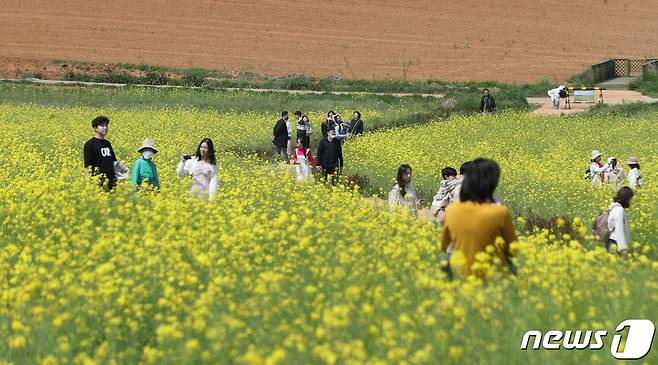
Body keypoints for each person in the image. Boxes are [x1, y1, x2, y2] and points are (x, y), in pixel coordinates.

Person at [440, 158, 517, 277]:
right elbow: (513, 249)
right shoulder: (500, 212)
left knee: (444, 261)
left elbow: (444, 245)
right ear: (492, 183)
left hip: (460, 272)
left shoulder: (452, 210)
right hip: (491, 274)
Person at [83, 116, 118, 191]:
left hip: (111, 181)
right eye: (102, 125)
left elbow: (114, 161)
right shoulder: (90, 144)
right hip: (98, 181)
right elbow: (87, 165)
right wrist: (88, 183)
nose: (105, 128)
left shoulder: (107, 143)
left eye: (106, 125)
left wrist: (120, 177)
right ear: (95, 128)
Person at [607, 187, 634, 253]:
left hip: (612, 241)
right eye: (630, 199)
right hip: (615, 243)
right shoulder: (619, 210)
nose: (631, 201)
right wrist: (623, 249)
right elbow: (619, 231)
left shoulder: (614, 207)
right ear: (626, 198)